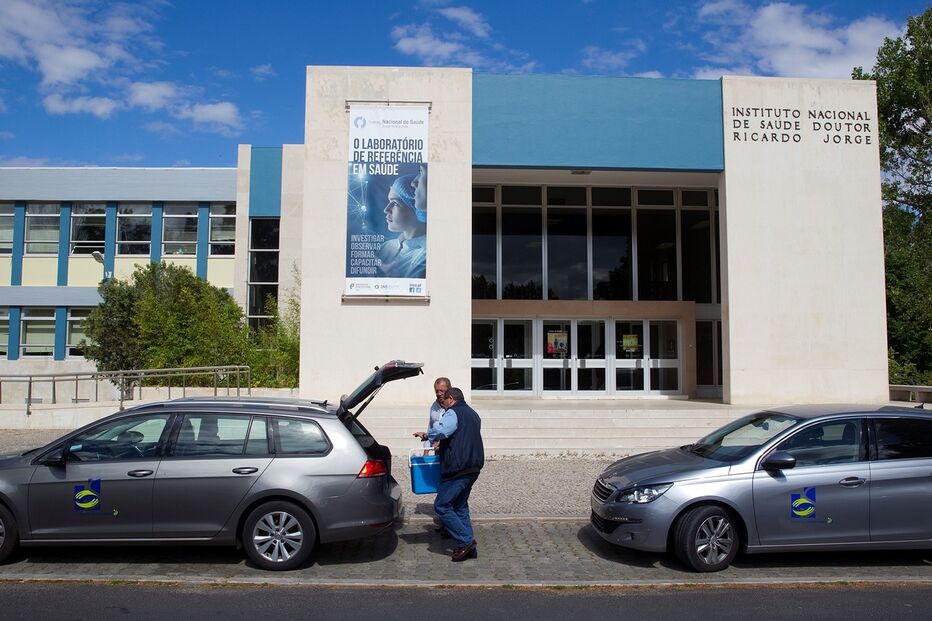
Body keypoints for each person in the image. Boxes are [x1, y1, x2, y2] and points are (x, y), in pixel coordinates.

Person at [428, 386, 484, 562]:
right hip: (473, 465)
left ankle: (466, 541)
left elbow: (442, 430)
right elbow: (462, 435)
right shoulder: (473, 413)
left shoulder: (453, 412)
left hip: (458, 467)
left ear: (451, 399)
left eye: (444, 401)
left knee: (442, 506)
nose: (443, 405)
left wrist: (428, 435)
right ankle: (469, 549)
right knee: (460, 506)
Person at [378, 171, 427, 279]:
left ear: (416, 210)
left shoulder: (426, 257)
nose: (386, 210)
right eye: (389, 201)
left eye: (395, 203)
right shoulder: (386, 247)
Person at [413, 376, 450, 449]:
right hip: (437, 447)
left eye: (442, 391)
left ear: (449, 389)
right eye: (437, 391)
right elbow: (431, 427)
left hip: (450, 447)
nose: (439, 394)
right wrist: (426, 450)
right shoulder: (434, 406)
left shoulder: (454, 407)